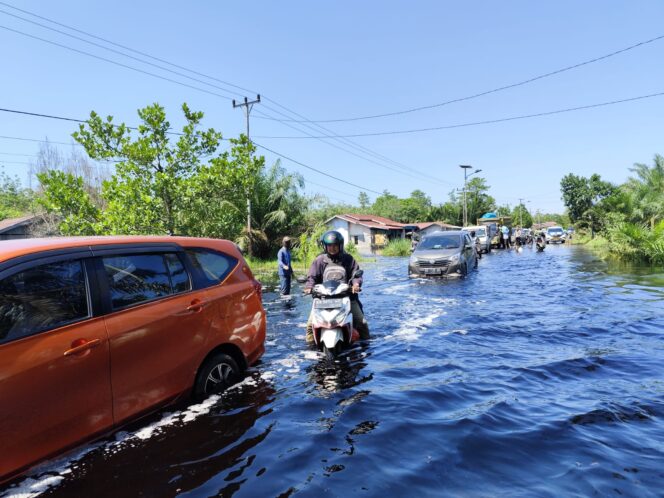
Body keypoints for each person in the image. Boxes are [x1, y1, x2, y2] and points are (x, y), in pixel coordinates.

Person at [303, 230, 369, 342]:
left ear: (340, 245)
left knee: (362, 322)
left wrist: (356, 284)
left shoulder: (348, 259)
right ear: (325, 246)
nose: (332, 248)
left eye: (335, 245)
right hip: (323, 299)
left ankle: (366, 348)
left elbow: (356, 275)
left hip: (346, 298)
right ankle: (311, 349)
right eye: (329, 245)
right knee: (310, 326)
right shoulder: (319, 260)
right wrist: (309, 287)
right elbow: (312, 277)